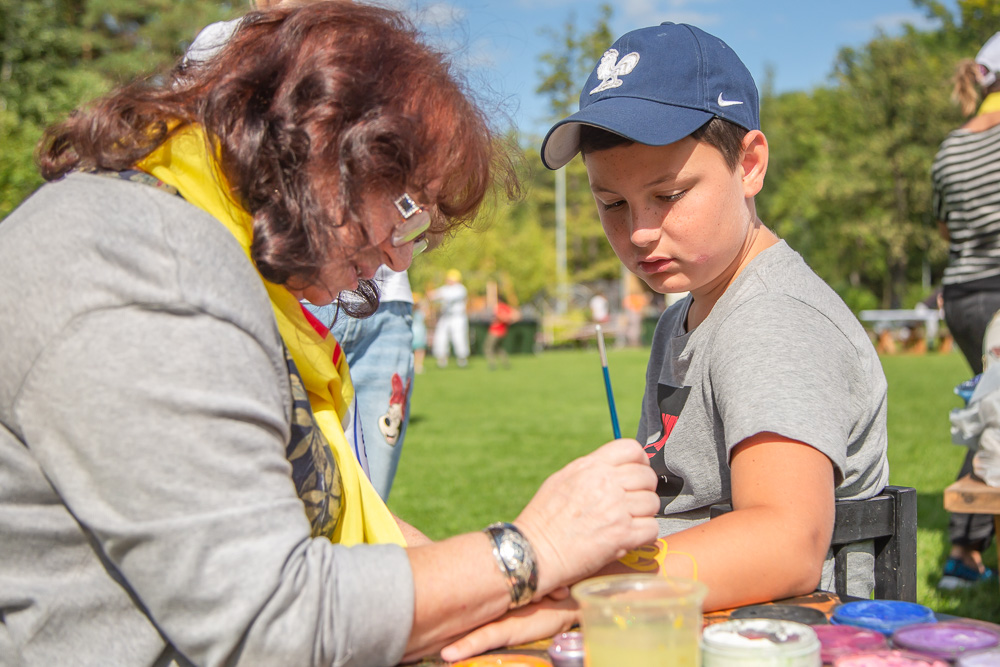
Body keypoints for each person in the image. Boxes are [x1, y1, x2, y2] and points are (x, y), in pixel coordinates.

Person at [0, 4, 661, 665]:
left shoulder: (209, 255)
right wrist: (530, 547)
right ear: (322, 141)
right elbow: (274, 624)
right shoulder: (145, 271)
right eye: (407, 216)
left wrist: (503, 593)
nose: (402, 260)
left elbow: (331, 509)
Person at [541, 21, 890, 613]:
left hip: (775, 630)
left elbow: (787, 542)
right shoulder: (684, 316)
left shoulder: (774, 319)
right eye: (612, 205)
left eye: (669, 195)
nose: (640, 232)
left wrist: (583, 595)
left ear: (749, 164)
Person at [930, 31, 1000, 589]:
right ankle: (963, 551)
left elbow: (947, 227)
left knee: (992, 415)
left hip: (962, 295)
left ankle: (965, 552)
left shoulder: (951, 145)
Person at [429, 268, 470, 368]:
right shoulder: (445, 288)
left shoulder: (461, 289)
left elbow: (448, 297)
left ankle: (462, 359)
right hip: (445, 316)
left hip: (458, 317)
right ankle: (442, 359)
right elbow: (433, 295)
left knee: (458, 337)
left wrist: (437, 296)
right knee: (441, 337)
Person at [484, 294, 520, 370]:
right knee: (498, 348)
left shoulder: (499, 307)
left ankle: (492, 364)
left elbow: (514, 316)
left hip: (496, 331)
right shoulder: (506, 307)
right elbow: (517, 315)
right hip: (502, 332)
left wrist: (506, 319)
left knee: (488, 348)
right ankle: (505, 362)